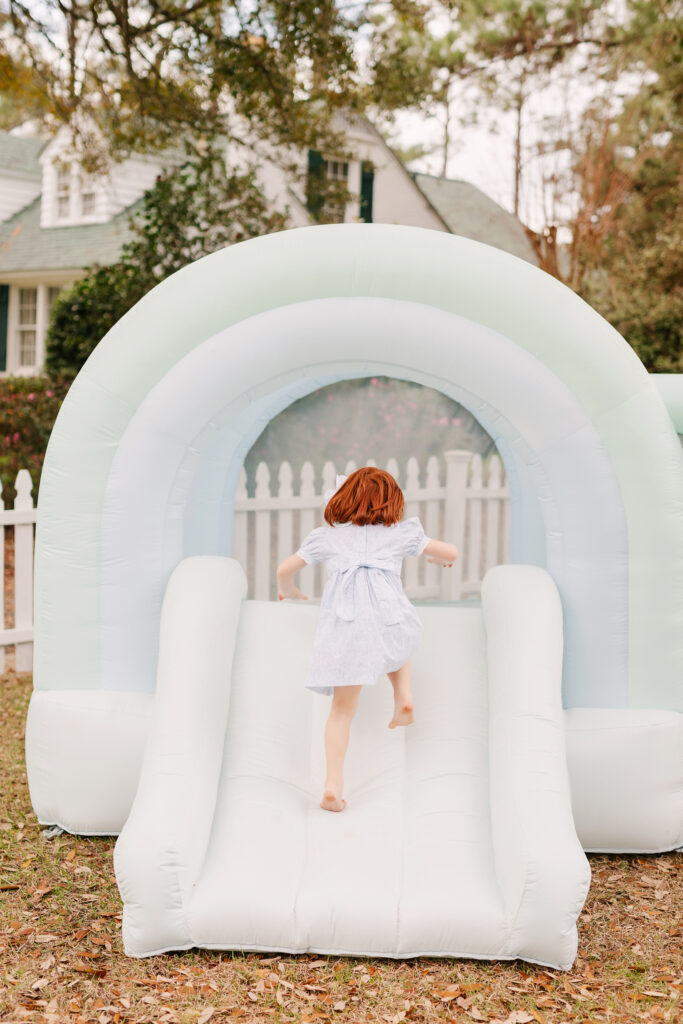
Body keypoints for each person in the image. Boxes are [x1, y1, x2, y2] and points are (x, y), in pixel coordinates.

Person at [276, 466, 459, 814]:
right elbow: (450, 552)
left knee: (342, 711)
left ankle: (332, 786)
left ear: (342, 499)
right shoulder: (398, 534)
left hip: (345, 626)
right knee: (399, 637)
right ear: (391, 501)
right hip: (389, 618)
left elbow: (284, 569)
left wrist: (290, 591)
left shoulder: (326, 537)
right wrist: (436, 557)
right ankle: (403, 694)